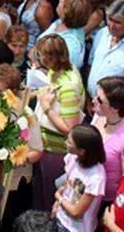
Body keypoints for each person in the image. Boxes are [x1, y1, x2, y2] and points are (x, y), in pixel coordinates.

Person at [30, 35, 85, 212]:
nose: (39, 58)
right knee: (40, 191)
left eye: (42, 55)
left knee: (49, 196)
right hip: (42, 145)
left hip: (56, 151)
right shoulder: (56, 71)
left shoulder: (68, 87)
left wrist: (46, 108)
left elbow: (71, 129)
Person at [90, 76, 124, 202]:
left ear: (115, 108)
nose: (93, 101)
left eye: (100, 100)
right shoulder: (99, 116)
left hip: (106, 197)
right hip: (87, 186)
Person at [53, 124, 107, 232]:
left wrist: (58, 197)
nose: (66, 143)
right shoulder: (73, 158)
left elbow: (76, 212)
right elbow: (67, 184)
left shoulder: (96, 177)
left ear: (82, 151)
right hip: (61, 219)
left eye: (69, 142)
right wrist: (56, 205)